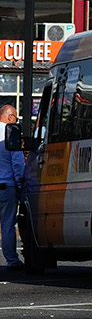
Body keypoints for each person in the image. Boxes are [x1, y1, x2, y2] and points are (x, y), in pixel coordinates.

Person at [0, 104, 26, 275]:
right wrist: (21, 183)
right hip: (6, 187)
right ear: (9, 117)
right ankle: (12, 260)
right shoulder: (11, 134)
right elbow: (17, 163)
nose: (16, 120)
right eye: (16, 117)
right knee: (8, 225)